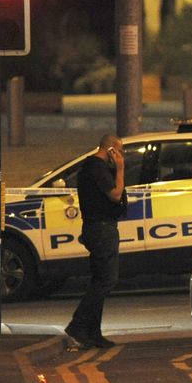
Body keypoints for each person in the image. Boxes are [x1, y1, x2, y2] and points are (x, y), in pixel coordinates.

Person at [65, 134, 126, 348]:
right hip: (101, 229)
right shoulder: (97, 168)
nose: (121, 156)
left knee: (100, 279)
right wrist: (120, 169)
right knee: (107, 280)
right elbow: (115, 194)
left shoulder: (93, 167)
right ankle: (78, 325)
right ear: (111, 151)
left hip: (99, 228)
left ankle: (93, 332)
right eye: (119, 152)